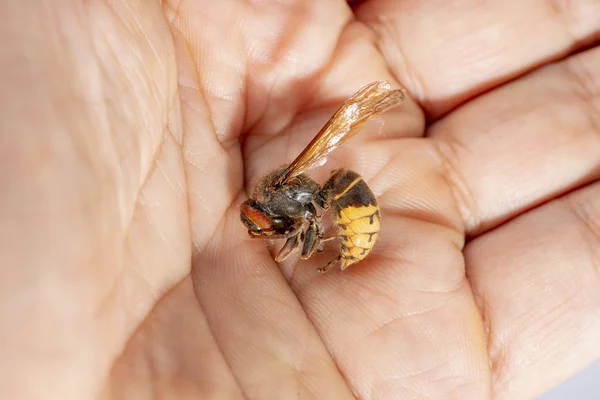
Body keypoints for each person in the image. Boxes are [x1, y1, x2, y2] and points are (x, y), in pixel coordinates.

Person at [1, 1, 599, 399]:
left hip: (347, 206)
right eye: (262, 224)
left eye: (262, 223)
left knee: (318, 211)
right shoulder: (280, 196)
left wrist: (312, 236)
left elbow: (307, 207)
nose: (260, 227)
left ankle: (343, 246)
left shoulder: (298, 200)